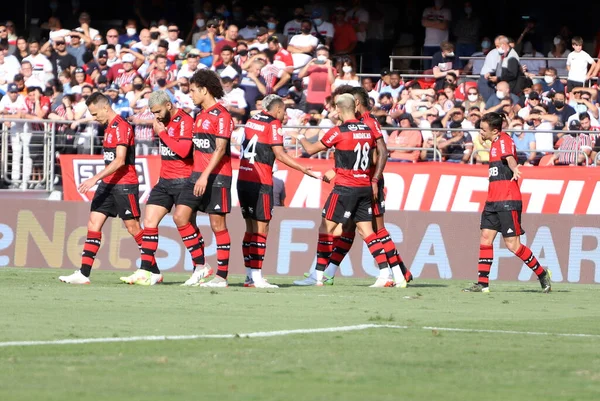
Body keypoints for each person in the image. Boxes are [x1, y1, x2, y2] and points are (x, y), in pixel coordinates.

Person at [293, 93, 390, 287]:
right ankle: (385, 275)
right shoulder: (367, 129)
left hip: (345, 188)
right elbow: (372, 158)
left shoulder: (338, 131)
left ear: (338, 109)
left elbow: (311, 150)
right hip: (364, 186)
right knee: (367, 231)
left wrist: (300, 136)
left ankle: (318, 276)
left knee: (325, 228)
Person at [59, 93, 143, 285]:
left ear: (106, 108)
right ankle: (83, 273)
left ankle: (151, 268)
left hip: (124, 184)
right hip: (108, 183)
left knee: (133, 227)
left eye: (96, 114)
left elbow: (120, 160)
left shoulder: (121, 126)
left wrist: (94, 179)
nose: (95, 118)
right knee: (93, 223)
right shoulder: (109, 126)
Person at [463, 112, 551, 293]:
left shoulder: (503, 141)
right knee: (485, 238)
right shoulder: (494, 142)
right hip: (492, 200)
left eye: (483, 129)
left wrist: (515, 169)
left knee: (513, 245)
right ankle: (482, 283)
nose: (481, 132)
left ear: (495, 130)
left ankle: (542, 273)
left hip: (508, 200)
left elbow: (510, 158)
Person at [237, 95, 317, 288]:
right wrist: (302, 169)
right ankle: (257, 277)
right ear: (279, 110)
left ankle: (250, 276)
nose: (284, 117)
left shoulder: (252, 120)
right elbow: (279, 154)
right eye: (284, 112)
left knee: (250, 229)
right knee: (261, 230)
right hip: (261, 181)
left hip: (243, 178)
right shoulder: (273, 124)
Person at [120, 91, 197, 285]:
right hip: (164, 181)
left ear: (169, 105)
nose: (157, 116)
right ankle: (148, 271)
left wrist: (162, 133)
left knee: (190, 226)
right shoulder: (161, 121)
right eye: (153, 113)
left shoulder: (185, 120)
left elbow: (183, 151)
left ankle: (199, 268)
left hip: (184, 180)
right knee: (149, 221)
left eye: (158, 111)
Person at [174, 70, 234, 288]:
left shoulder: (222, 115)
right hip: (196, 176)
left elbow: (220, 149)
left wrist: (205, 177)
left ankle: (222, 277)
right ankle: (201, 266)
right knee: (180, 216)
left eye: (192, 90)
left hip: (217, 177)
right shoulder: (199, 115)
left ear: (204, 89)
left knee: (218, 225)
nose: (190, 95)